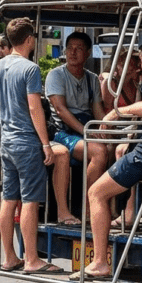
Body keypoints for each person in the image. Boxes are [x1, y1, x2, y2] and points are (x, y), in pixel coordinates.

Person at [78, 38, 142, 280]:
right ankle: (126, 214)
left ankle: (99, 262)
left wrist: (116, 112)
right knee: (121, 152)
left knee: (95, 193)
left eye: (141, 62)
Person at [0, 17, 64, 275]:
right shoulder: (30, 69)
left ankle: (9, 257)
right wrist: (46, 144)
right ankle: (31, 260)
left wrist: (4, 111)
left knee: (9, 199)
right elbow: (34, 108)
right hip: (27, 142)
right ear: (29, 40)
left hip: (6, 141)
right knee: (29, 201)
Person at [46, 32, 108, 188]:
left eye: (78, 48)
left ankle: (113, 206)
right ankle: (89, 205)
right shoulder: (56, 75)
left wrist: (106, 128)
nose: (72, 52)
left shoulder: (92, 78)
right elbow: (60, 110)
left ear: (87, 53)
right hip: (63, 132)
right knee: (99, 151)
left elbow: (98, 111)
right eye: (69, 48)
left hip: (86, 128)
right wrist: (86, 131)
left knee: (115, 148)